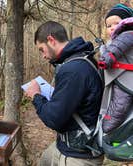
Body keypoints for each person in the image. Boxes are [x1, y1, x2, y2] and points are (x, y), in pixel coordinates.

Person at [25, 21, 104, 166]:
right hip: (69, 147)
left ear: (51, 40)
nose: (43, 56)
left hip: (79, 156)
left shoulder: (73, 69)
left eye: (42, 49)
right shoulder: (81, 59)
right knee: (45, 159)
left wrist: (36, 95)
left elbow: (53, 119)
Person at [98, 3, 133, 133]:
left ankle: (107, 126)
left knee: (119, 104)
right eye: (109, 26)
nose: (112, 28)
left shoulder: (128, 34)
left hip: (126, 80)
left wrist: (105, 59)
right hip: (121, 78)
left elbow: (115, 50)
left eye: (116, 23)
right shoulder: (119, 39)